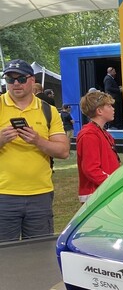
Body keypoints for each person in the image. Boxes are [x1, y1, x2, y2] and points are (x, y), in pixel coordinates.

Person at [0, 59, 70, 241]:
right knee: (5, 258)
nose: (15, 83)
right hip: (4, 195)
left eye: (21, 79)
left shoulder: (49, 111)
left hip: (40, 195)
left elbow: (63, 151)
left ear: (32, 80)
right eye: (9, 79)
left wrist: (38, 140)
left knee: (39, 256)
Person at [76, 91, 121, 203]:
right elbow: (91, 169)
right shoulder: (89, 135)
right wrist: (112, 183)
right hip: (97, 194)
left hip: (105, 190)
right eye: (109, 106)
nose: (113, 109)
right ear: (99, 111)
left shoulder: (101, 132)